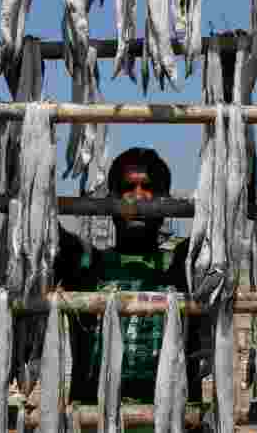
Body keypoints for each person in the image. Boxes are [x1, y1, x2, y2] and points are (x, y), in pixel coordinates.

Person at [56, 147, 201, 405]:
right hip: (95, 421)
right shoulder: (85, 263)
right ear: (110, 200)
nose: (138, 198)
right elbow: (40, 224)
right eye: (127, 188)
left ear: (166, 201)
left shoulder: (182, 264)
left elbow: (224, 224)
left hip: (175, 420)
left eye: (149, 189)